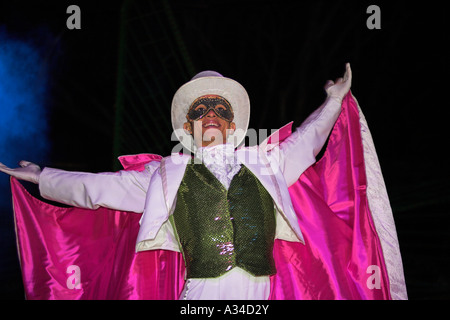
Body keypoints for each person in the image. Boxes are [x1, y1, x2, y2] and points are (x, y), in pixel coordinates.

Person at [1, 64, 353, 299]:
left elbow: (307, 141)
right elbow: (96, 189)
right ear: (188, 128)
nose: (211, 114)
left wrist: (334, 99)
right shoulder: (166, 175)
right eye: (200, 111)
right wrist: (43, 177)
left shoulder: (267, 162)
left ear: (232, 125)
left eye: (220, 109)